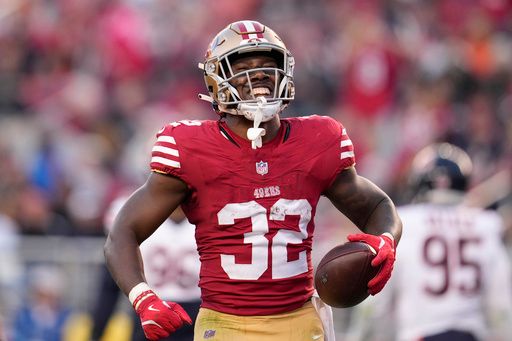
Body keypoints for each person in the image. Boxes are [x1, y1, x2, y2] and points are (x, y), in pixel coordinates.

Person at [104, 20, 403, 341]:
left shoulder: (319, 139)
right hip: (226, 324)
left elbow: (377, 206)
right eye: (242, 66)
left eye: (266, 65)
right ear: (216, 79)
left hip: (301, 321)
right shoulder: (189, 147)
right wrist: (142, 297)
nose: (257, 74)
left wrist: (385, 240)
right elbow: (122, 232)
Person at [347, 143, 512, 341]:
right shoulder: (485, 224)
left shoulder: (403, 222)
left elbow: (376, 303)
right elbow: (500, 305)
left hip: (422, 335)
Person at [90, 196, 200, 341]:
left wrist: (97, 332)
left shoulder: (135, 212)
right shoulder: (209, 214)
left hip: (160, 309)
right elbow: (110, 284)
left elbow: (110, 288)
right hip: (151, 309)